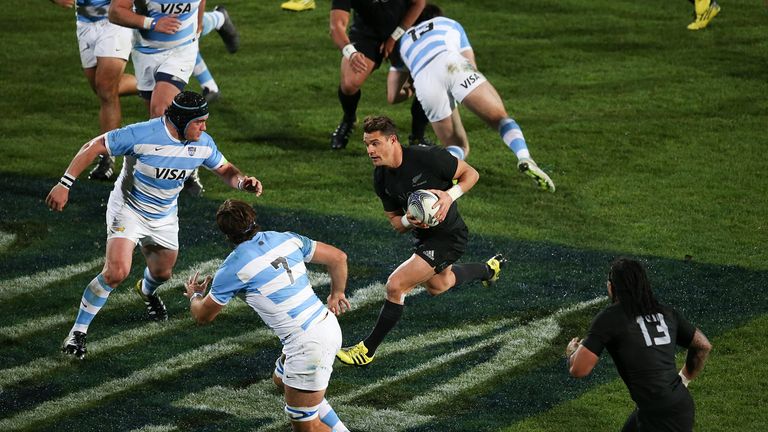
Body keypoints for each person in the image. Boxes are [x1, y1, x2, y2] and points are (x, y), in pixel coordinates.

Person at [46, 91, 263, 360]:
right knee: (116, 272)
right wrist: (65, 183)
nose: (204, 127)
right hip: (128, 210)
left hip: (163, 216)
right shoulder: (142, 134)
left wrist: (243, 182)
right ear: (182, 121)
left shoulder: (203, 143)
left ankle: (146, 291)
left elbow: (225, 170)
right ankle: (78, 332)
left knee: (163, 273)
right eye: (199, 121)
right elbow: (94, 146)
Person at [335, 115, 505, 367]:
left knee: (395, 285)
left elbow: (471, 174)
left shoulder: (427, 157)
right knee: (439, 285)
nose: (370, 150)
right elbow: (395, 223)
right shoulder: (381, 178)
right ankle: (488, 270)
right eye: (366, 144)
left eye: (375, 143)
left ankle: (367, 350)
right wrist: (409, 220)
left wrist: (449, 197)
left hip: (449, 236)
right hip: (425, 237)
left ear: (392, 140)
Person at [184, 199, 351, 432]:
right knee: (281, 380)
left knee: (307, 426)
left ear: (226, 234)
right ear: (254, 220)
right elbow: (338, 258)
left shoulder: (233, 268)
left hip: (307, 343)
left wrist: (195, 295)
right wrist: (337, 293)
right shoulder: (286, 238)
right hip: (326, 324)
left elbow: (203, 316)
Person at [389, 4, 556, 192]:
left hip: (424, 80)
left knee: (456, 145)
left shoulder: (402, 42)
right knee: (500, 119)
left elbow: (392, 96)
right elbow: (470, 63)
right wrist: (461, 90)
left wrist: (412, 89)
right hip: (453, 65)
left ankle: (431, 185)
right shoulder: (448, 23)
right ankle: (524, 157)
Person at [566, 258, 713, 432]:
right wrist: (685, 378)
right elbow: (703, 345)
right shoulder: (665, 312)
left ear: (612, 287)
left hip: (660, 416)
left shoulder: (610, 317)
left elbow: (579, 369)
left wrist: (571, 353)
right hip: (670, 406)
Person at [50, 0, 137, 181]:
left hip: (115, 22)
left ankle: (107, 157)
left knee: (106, 90)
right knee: (103, 89)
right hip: (84, 23)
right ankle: (150, 84)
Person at [328, 0, 430, 150]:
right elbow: (336, 26)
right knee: (349, 83)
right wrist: (351, 53)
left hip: (405, 29)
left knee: (428, 74)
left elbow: (418, 3)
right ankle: (349, 119)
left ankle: (417, 136)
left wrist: (395, 36)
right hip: (367, 35)